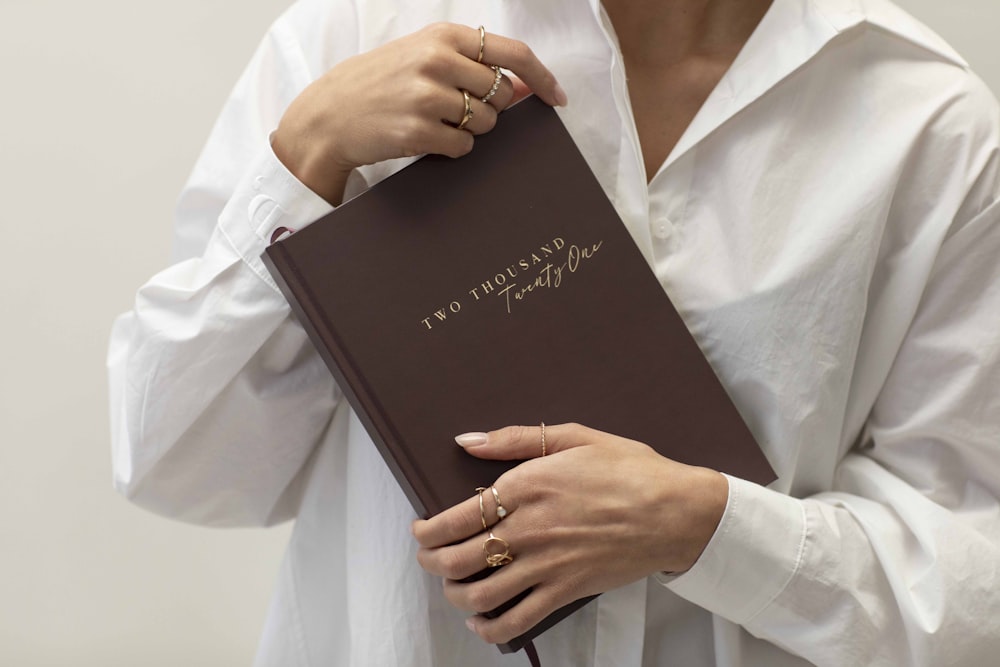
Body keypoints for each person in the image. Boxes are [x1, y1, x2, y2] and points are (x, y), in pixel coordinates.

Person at [108, 0, 1000, 665]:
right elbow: (174, 460)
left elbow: (971, 581)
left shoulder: (925, 122)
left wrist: (703, 528)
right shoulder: (360, 32)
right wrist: (304, 155)